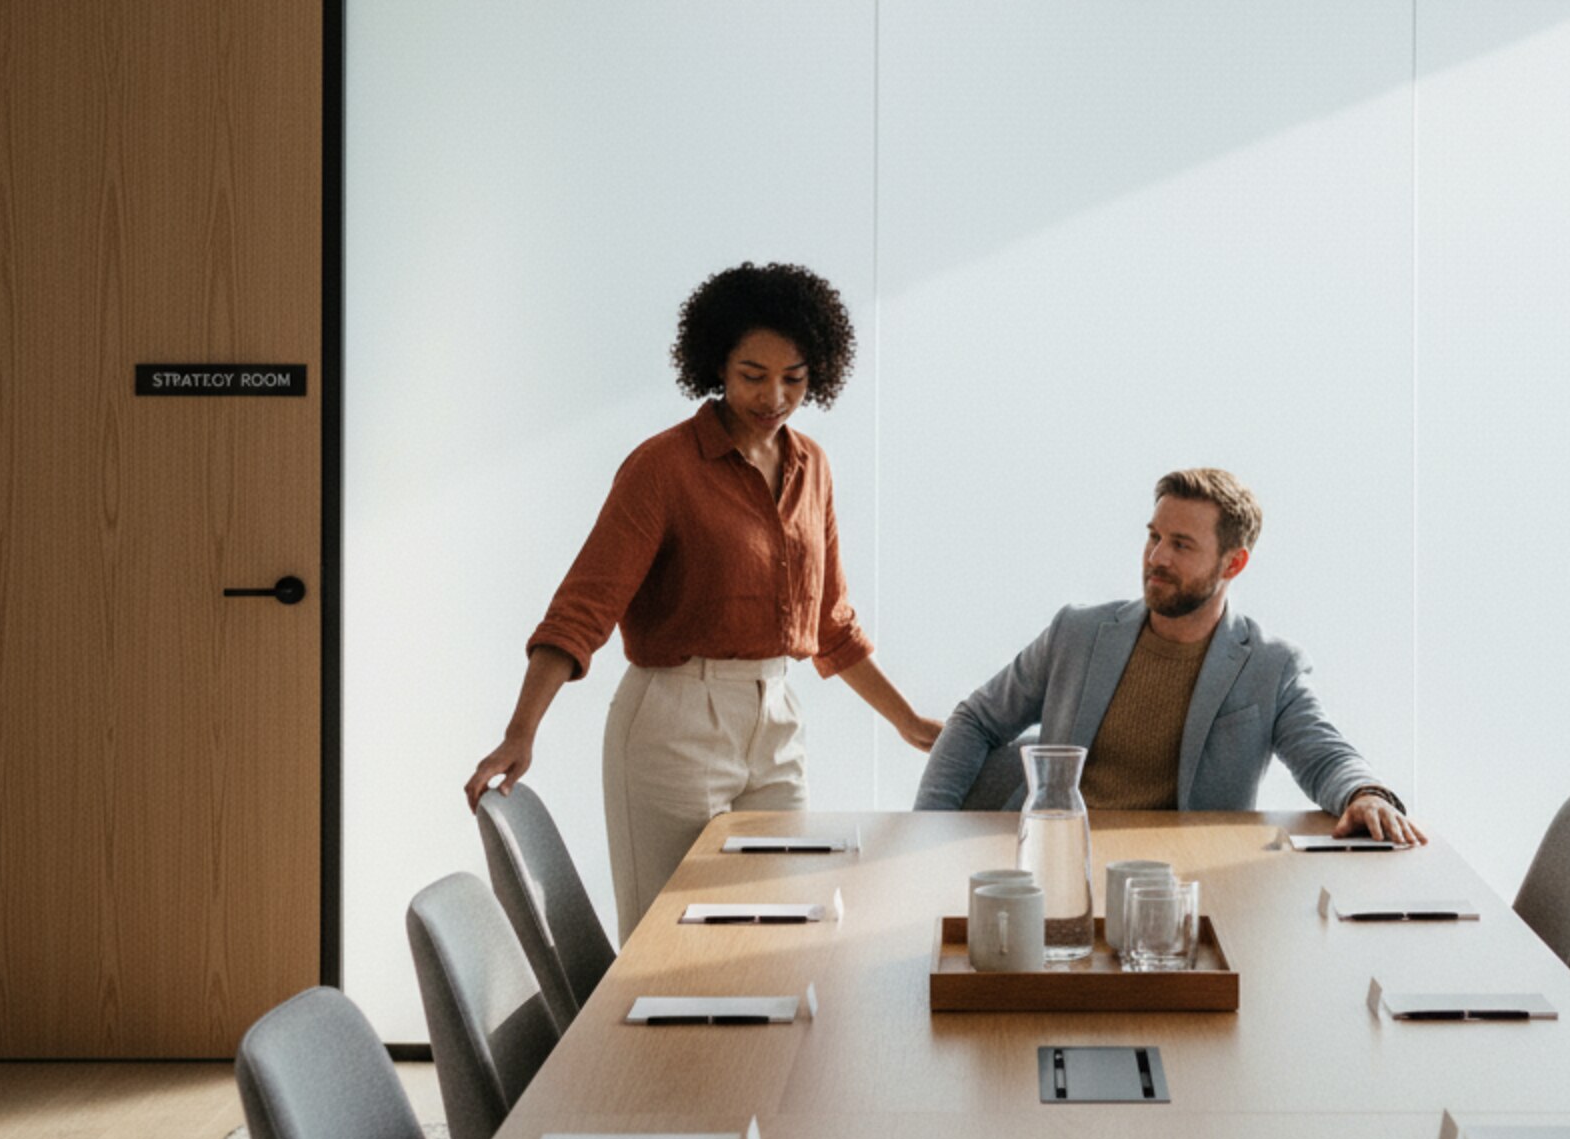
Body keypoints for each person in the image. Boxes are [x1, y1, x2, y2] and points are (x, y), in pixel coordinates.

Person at [466, 262, 941, 938]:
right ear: (716, 364)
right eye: (753, 375)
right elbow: (582, 610)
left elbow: (831, 624)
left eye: (794, 377)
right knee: (665, 941)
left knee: (773, 935)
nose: (774, 396)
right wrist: (521, 732)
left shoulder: (812, 467)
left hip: (775, 723)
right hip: (671, 727)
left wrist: (909, 723)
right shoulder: (662, 468)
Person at [914, 467, 1423, 843]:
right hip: (1048, 857)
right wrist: (925, 830)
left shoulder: (1270, 667)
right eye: (1154, 537)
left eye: (1181, 545)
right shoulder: (1077, 632)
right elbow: (977, 720)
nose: (1157, 557)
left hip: (1179, 878)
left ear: (1233, 564)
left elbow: (1326, 756)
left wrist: (1366, 794)